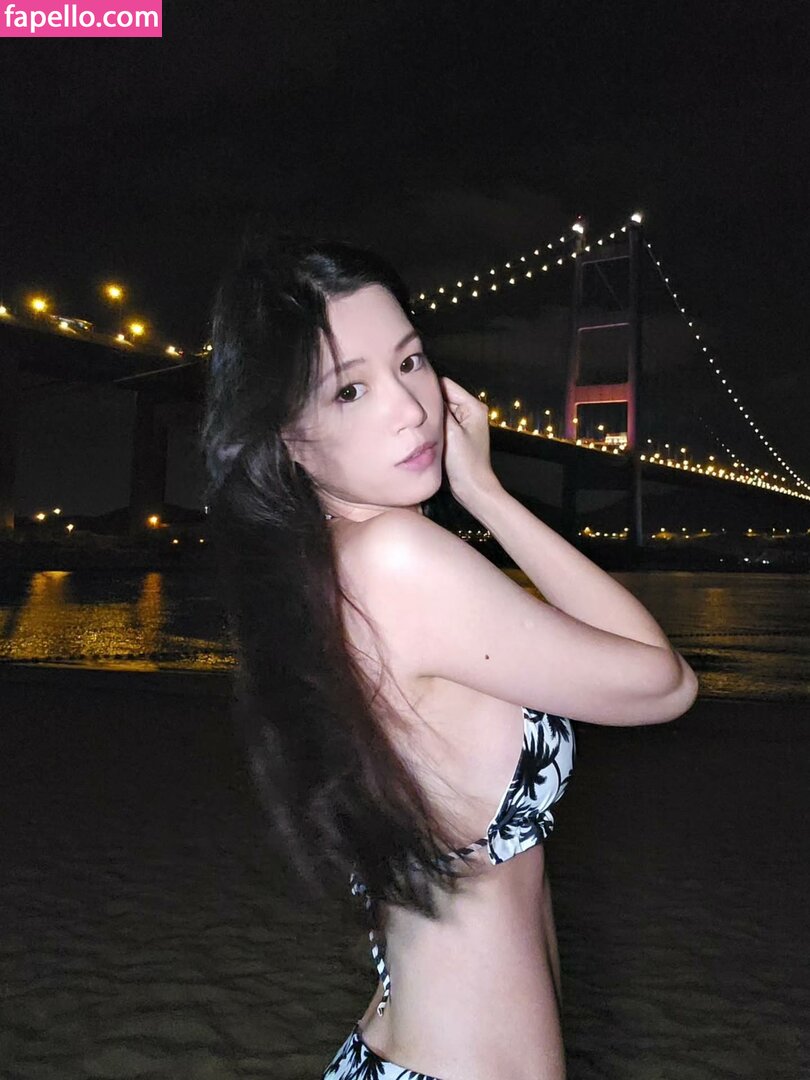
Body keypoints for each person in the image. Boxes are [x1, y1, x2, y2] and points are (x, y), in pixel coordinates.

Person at [200, 229, 699, 1080]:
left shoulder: (324, 571)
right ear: (288, 437)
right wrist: (489, 495)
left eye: (411, 360)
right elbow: (664, 683)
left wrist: (476, 494)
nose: (410, 406)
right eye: (350, 389)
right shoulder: (397, 559)